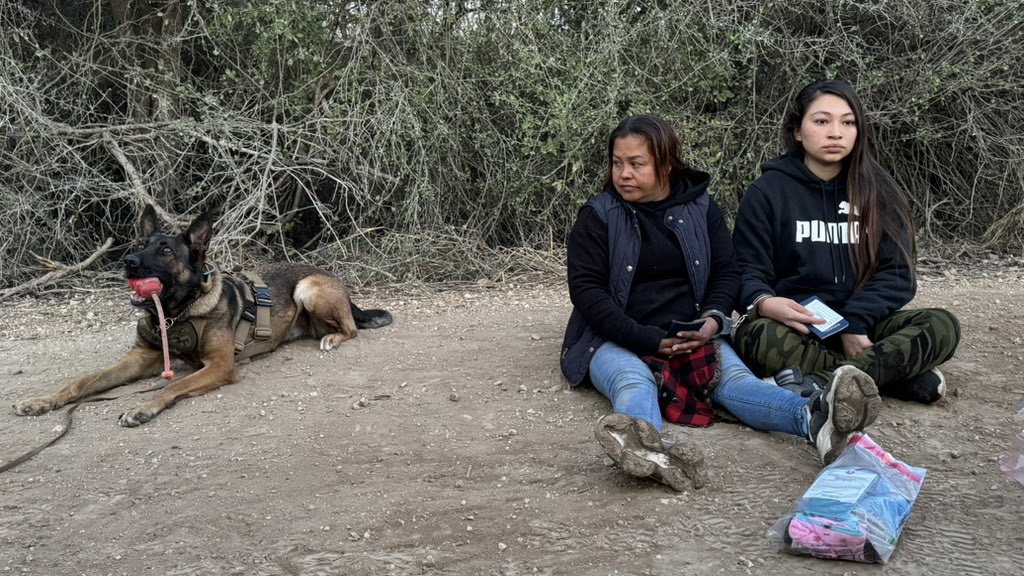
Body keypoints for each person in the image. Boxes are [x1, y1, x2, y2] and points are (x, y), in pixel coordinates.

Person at [560, 116, 880, 493]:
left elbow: (727, 272)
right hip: (615, 336)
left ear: (665, 165)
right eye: (617, 163)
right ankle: (643, 445)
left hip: (692, 332)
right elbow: (587, 292)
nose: (623, 173)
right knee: (634, 380)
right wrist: (644, 338)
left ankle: (815, 420)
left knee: (733, 382)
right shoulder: (599, 215)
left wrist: (712, 321)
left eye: (636, 164)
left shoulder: (700, 208)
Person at [730, 79, 961, 406]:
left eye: (848, 122)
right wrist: (765, 302)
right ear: (797, 130)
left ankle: (821, 382)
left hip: (867, 326)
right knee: (757, 336)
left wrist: (855, 322)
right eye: (822, 121)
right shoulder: (767, 192)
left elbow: (897, 273)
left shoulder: (880, 191)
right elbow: (746, 269)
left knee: (942, 325)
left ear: (859, 130)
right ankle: (890, 377)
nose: (836, 132)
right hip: (800, 327)